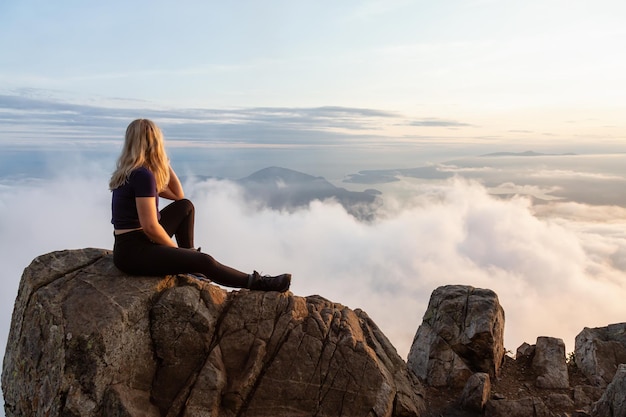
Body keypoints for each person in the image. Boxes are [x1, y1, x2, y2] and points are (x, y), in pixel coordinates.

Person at [109, 118, 291, 292]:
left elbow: (178, 197)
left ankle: (190, 257)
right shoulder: (142, 176)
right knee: (204, 261)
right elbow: (150, 227)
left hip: (128, 246)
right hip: (135, 252)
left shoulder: (133, 172)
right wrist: (182, 256)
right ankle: (259, 283)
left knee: (185, 207)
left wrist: (164, 164)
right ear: (155, 143)